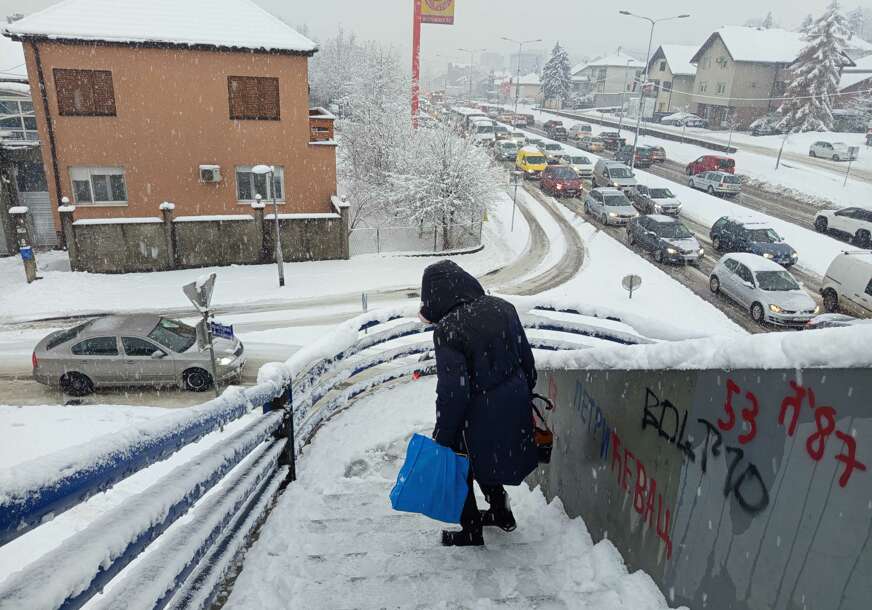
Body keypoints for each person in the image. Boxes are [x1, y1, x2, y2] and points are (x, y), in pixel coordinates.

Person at [418, 260, 538, 547]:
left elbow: (453, 392)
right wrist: (519, 394)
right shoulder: (503, 308)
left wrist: (444, 435)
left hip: (477, 410)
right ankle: (501, 512)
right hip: (514, 400)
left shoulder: (448, 329)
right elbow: (527, 361)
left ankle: (471, 530)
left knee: (461, 462)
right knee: (487, 457)